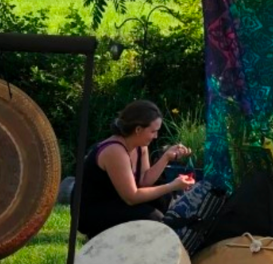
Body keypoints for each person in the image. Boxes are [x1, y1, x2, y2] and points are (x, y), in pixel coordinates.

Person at [72, 100, 194, 238]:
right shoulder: (114, 150)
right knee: (152, 217)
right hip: (94, 211)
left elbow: (144, 181)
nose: (156, 136)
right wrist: (172, 186)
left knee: (163, 199)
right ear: (138, 130)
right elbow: (132, 197)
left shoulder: (140, 146)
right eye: (153, 131)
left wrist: (166, 157)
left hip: (116, 202)